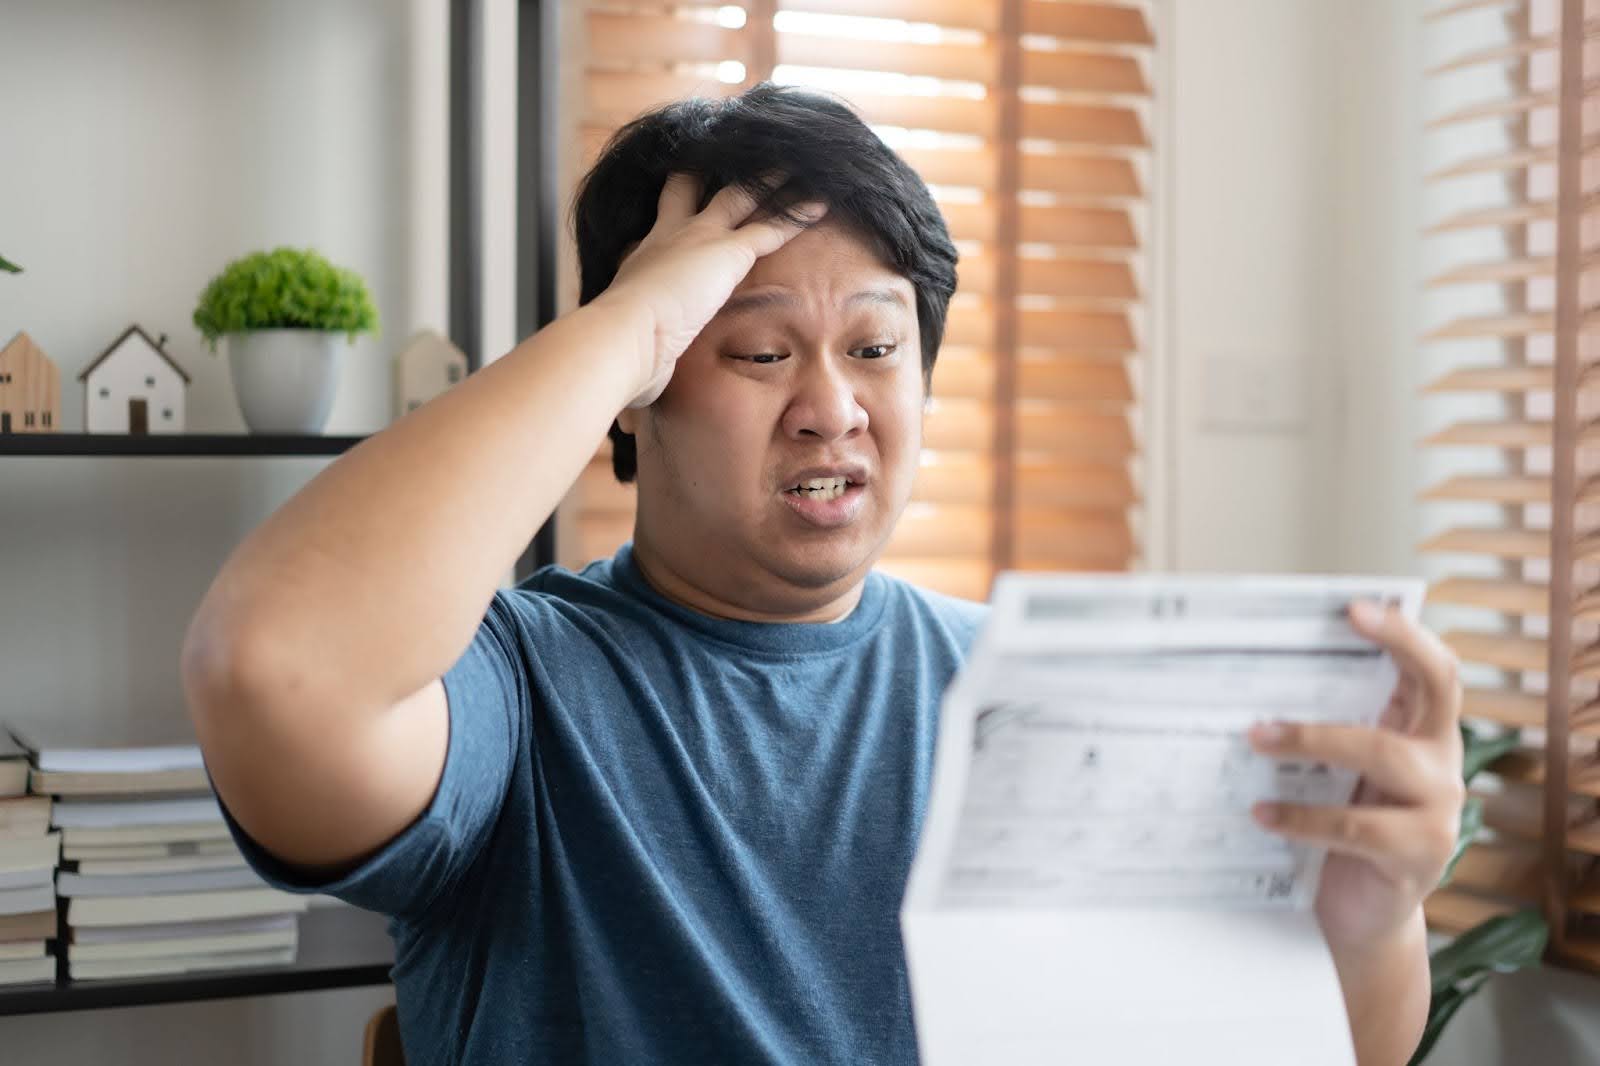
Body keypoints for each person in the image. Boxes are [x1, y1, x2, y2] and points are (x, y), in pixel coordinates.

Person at [180, 84, 1464, 1065]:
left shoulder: (1027, 692)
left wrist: (1365, 921)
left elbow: (1297, 1046)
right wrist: (636, 316)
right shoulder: (518, 690)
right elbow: (277, 666)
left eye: (875, 344)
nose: (832, 408)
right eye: (753, 353)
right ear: (630, 401)